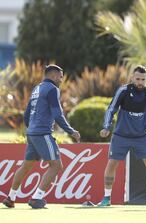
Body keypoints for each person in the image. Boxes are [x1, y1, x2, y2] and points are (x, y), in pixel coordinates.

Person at [2, 65, 81, 209]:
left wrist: (31, 128)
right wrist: (71, 131)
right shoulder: (52, 89)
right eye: (60, 76)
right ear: (53, 75)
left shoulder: (37, 89)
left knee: (26, 166)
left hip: (32, 133)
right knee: (56, 166)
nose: (61, 80)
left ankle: (11, 197)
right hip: (43, 133)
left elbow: (27, 113)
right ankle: (36, 198)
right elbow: (58, 114)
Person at [97, 65, 146, 207]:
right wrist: (106, 126)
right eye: (138, 79)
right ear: (132, 78)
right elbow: (111, 108)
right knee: (112, 164)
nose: (140, 82)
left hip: (141, 137)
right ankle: (106, 198)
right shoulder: (123, 90)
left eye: (143, 79)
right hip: (120, 136)